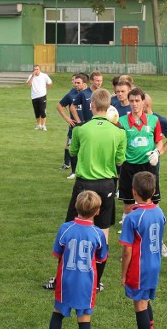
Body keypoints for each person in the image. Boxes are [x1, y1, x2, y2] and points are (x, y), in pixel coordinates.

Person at [46, 89, 125, 292]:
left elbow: (72, 151)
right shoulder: (119, 132)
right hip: (107, 185)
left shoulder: (80, 129)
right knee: (103, 232)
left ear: (91, 107)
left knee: (71, 230)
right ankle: (96, 282)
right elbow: (119, 161)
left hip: (83, 185)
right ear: (109, 108)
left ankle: (60, 278)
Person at [49, 191, 108, 329]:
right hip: (86, 282)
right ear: (97, 211)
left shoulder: (65, 228)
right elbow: (101, 257)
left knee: (58, 312)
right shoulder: (98, 233)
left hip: (66, 280)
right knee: (84, 318)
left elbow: (57, 253)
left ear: (75, 206)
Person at [119, 171, 166, 329]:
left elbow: (127, 251)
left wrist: (124, 274)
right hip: (155, 264)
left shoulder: (133, 217)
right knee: (145, 300)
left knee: (139, 305)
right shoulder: (159, 212)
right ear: (153, 192)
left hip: (140, 267)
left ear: (133, 192)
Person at [117, 88, 163, 224]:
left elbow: (159, 141)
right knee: (128, 204)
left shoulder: (154, 120)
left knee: (154, 201)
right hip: (128, 166)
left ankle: (155, 228)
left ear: (143, 102)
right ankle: (128, 229)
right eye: (131, 101)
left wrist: (157, 152)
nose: (134, 104)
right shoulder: (121, 121)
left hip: (148, 166)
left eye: (137, 100)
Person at [143, 93, 167, 258]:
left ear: (146, 104)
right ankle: (133, 244)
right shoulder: (130, 119)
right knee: (132, 207)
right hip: (133, 169)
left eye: (138, 101)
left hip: (151, 171)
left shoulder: (158, 120)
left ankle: (158, 241)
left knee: (153, 206)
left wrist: (161, 151)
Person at [66, 73, 89, 179]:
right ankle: (74, 171)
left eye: (78, 83)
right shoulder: (72, 93)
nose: (75, 85)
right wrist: (70, 119)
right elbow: (68, 106)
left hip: (89, 127)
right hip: (76, 127)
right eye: (74, 82)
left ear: (85, 83)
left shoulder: (91, 94)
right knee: (73, 148)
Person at [55, 74, 80, 171]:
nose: (73, 82)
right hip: (74, 125)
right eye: (73, 81)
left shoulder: (87, 93)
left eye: (75, 80)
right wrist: (68, 118)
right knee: (69, 144)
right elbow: (64, 104)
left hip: (84, 124)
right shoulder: (72, 92)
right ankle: (67, 164)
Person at [26, 64, 52, 131]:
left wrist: (45, 89)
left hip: (42, 96)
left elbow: (50, 83)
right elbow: (28, 85)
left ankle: (44, 125)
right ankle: (39, 125)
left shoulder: (44, 76)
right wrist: (32, 76)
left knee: (42, 111)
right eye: (35, 69)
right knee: (37, 112)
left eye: (37, 69)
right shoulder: (31, 76)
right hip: (34, 96)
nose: (36, 71)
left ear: (39, 69)